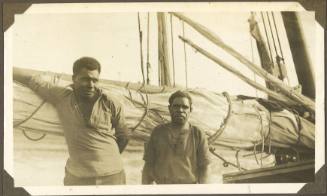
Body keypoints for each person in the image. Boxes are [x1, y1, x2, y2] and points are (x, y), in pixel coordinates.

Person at [13, 57, 130, 185]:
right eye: (85, 79)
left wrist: (106, 160)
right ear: (74, 79)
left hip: (112, 175)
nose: (91, 85)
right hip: (77, 176)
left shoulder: (110, 102)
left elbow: (124, 135)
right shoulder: (61, 97)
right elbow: (32, 80)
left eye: (95, 80)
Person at [142, 90, 211, 184]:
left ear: (190, 110)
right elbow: (148, 166)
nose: (180, 110)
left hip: (189, 190)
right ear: (170, 108)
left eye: (185, 107)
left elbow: (205, 168)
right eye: (176, 106)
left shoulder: (198, 134)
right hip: (163, 189)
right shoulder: (158, 132)